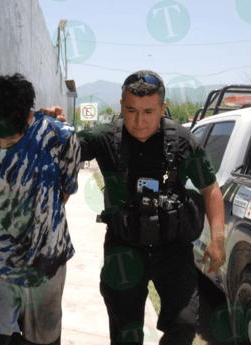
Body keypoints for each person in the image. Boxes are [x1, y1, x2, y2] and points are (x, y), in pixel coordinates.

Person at [42, 70, 226, 345]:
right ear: (121, 105)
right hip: (123, 248)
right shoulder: (104, 137)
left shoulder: (182, 141)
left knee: (185, 325)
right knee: (125, 332)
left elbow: (210, 189)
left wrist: (218, 237)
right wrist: (48, 123)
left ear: (163, 108)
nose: (139, 121)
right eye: (131, 110)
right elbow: (62, 147)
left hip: (173, 251)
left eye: (149, 111)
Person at [0, 73, 81, 345]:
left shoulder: (61, 137)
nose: (0, 142)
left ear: (28, 118)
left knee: (44, 340)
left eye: (10, 137)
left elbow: (63, 193)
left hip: (47, 259)